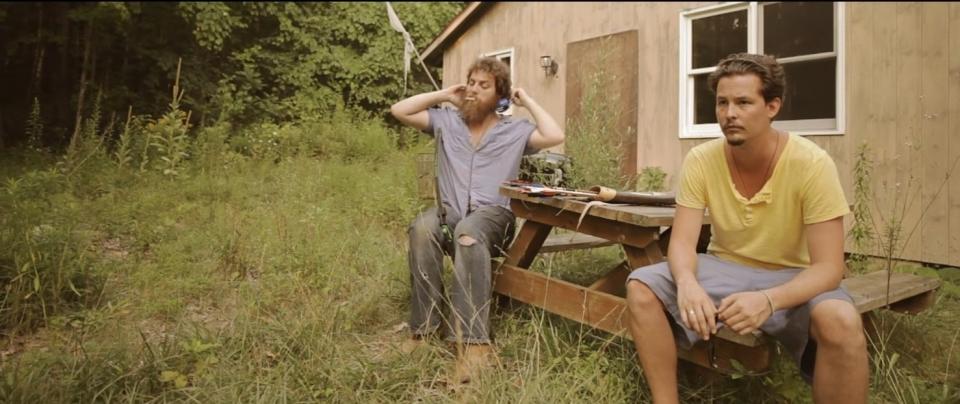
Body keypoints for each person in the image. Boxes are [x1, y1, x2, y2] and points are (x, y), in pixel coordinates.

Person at [624, 53, 868, 403]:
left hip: (793, 276)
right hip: (725, 268)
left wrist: (770, 300)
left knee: (841, 319)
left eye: (743, 102)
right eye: (722, 103)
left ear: (772, 106)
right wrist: (688, 282)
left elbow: (830, 268)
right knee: (641, 286)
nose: (729, 114)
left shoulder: (811, 163)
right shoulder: (701, 159)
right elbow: (681, 243)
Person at [390, 57, 565, 384]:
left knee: (468, 232)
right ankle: (423, 331)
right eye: (471, 82)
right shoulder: (446, 122)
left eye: (483, 86)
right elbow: (399, 110)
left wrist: (525, 99)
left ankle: (475, 345)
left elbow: (555, 135)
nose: (473, 90)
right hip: (451, 215)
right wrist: (444, 94)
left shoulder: (515, 131)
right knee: (422, 228)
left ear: (500, 96)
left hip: (494, 218)